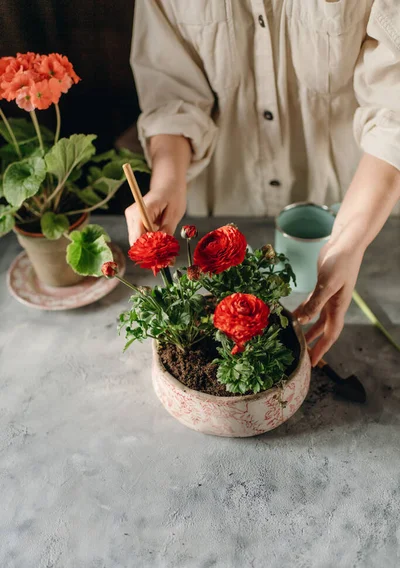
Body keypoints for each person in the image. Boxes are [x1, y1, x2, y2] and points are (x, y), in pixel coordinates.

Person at [125, 0, 400, 366]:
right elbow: (171, 94)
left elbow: (394, 107)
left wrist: (349, 239)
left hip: (358, 200)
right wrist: (166, 184)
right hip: (226, 200)